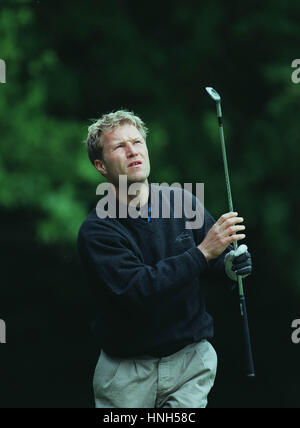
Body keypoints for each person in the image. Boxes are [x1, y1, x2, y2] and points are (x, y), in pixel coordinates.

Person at [77, 109, 252, 408]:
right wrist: (202, 253)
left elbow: (215, 262)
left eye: (137, 142)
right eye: (119, 146)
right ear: (100, 165)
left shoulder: (183, 201)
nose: (133, 151)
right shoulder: (98, 230)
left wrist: (232, 266)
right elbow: (137, 289)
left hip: (190, 363)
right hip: (126, 373)